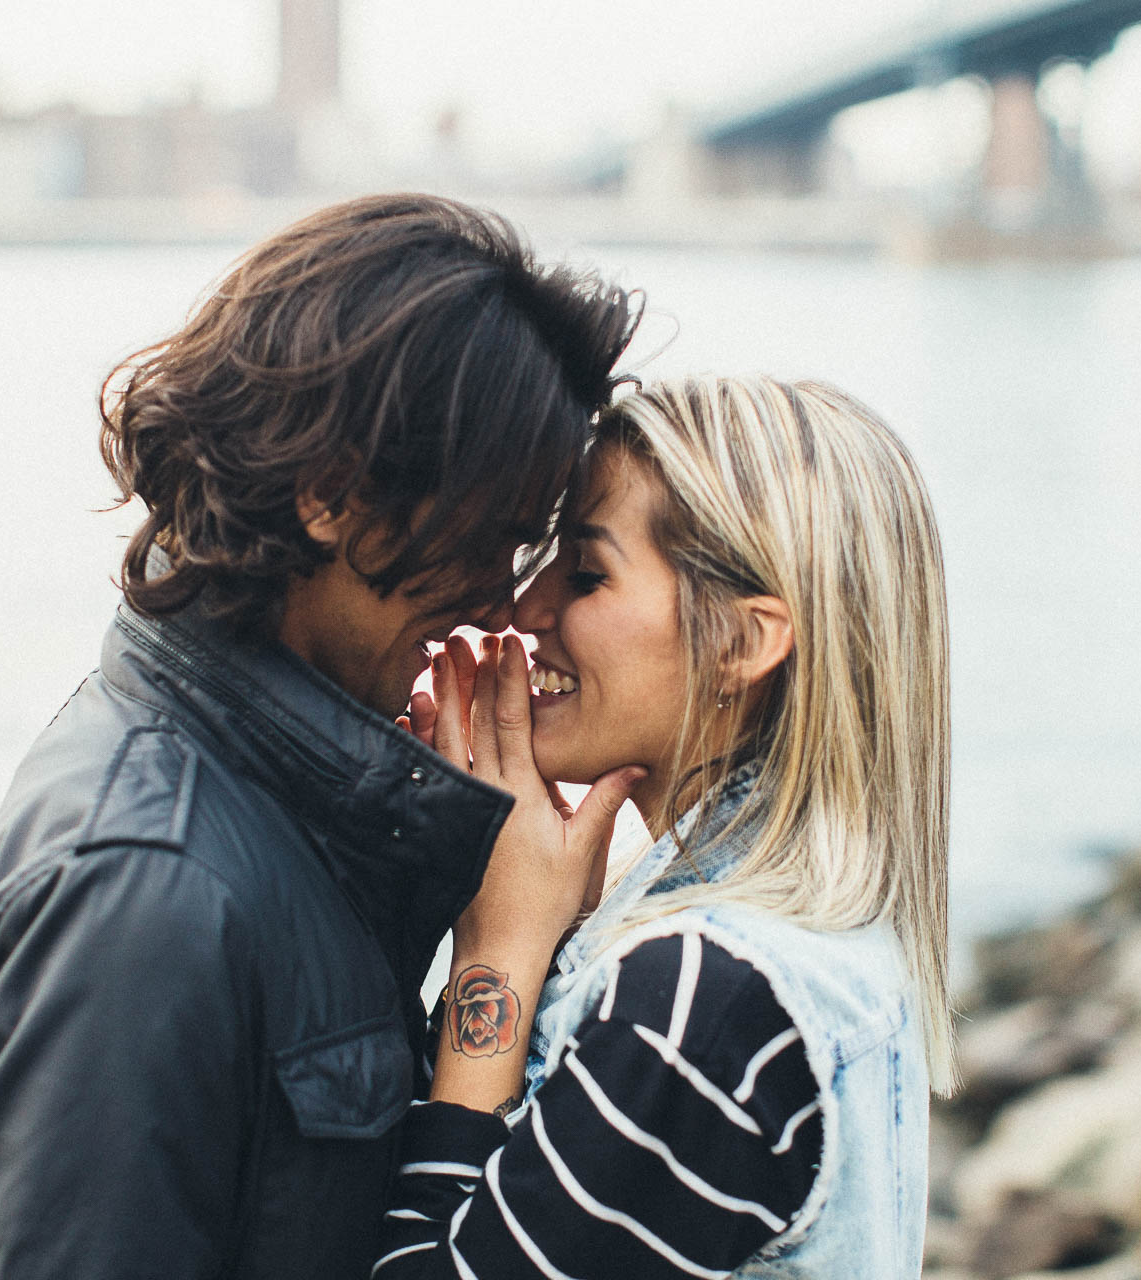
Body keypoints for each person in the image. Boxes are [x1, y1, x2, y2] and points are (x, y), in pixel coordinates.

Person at [0, 193, 641, 1280]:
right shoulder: (152, 891)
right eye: (487, 538)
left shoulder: (274, 811)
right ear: (333, 494)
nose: (498, 604)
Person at [376, 375, 959, 1278]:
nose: (524, 612)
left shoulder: (706, 998)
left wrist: (497, 955)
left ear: (742, 641)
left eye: (585, 573)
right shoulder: (816, 931)